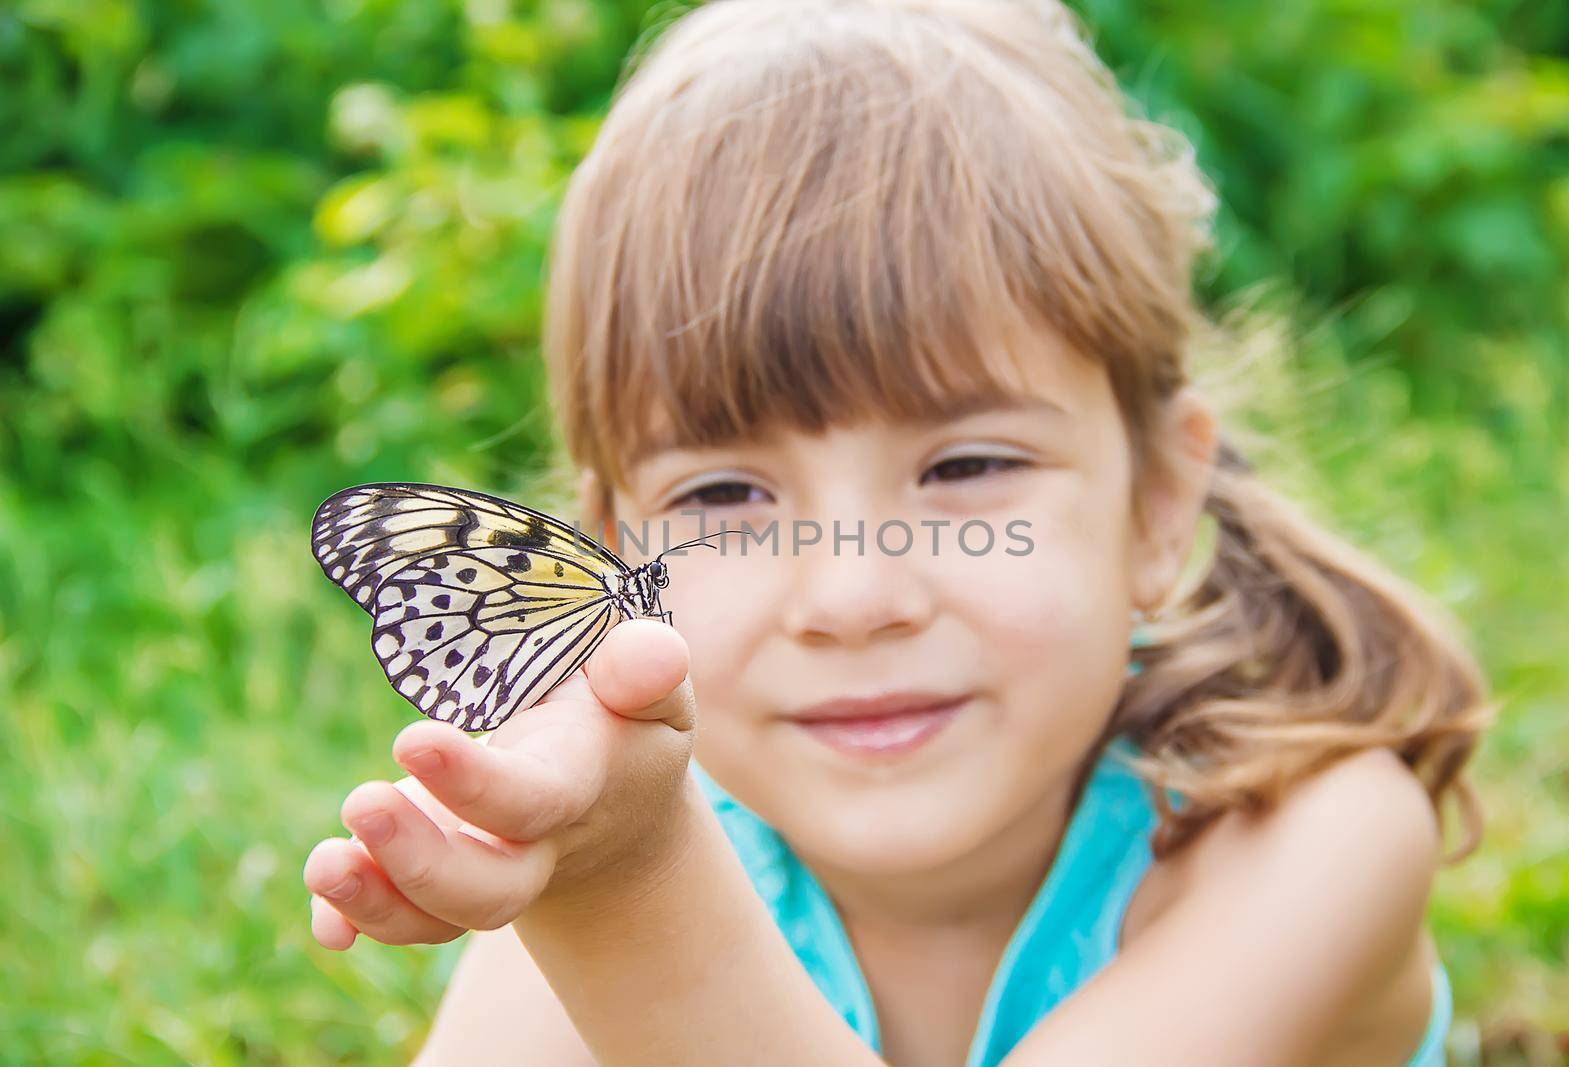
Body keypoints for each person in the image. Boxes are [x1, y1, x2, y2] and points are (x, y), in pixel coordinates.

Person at [300, 1, 1495, 1063]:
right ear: (623, 547)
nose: (853, 595)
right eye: (725, 497)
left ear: (1156, 502)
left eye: (967, 465)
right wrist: (580, 864)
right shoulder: (621, 855)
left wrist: (625, 885)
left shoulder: (1313, 836)